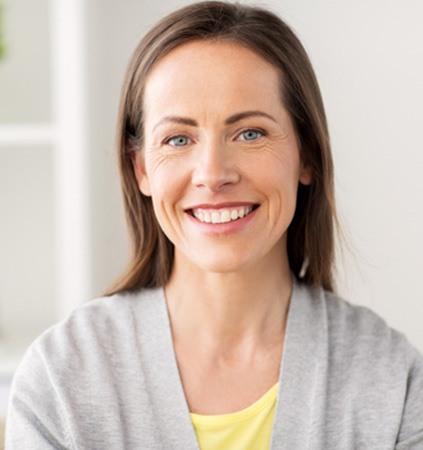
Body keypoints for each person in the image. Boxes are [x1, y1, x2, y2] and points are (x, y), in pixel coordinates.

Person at [5, 2, 423, 449]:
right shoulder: (60, 379)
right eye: (178, 139)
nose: (212, 173)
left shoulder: (392, 380)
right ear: (141, 168)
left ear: (307, 155)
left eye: (250, 133)